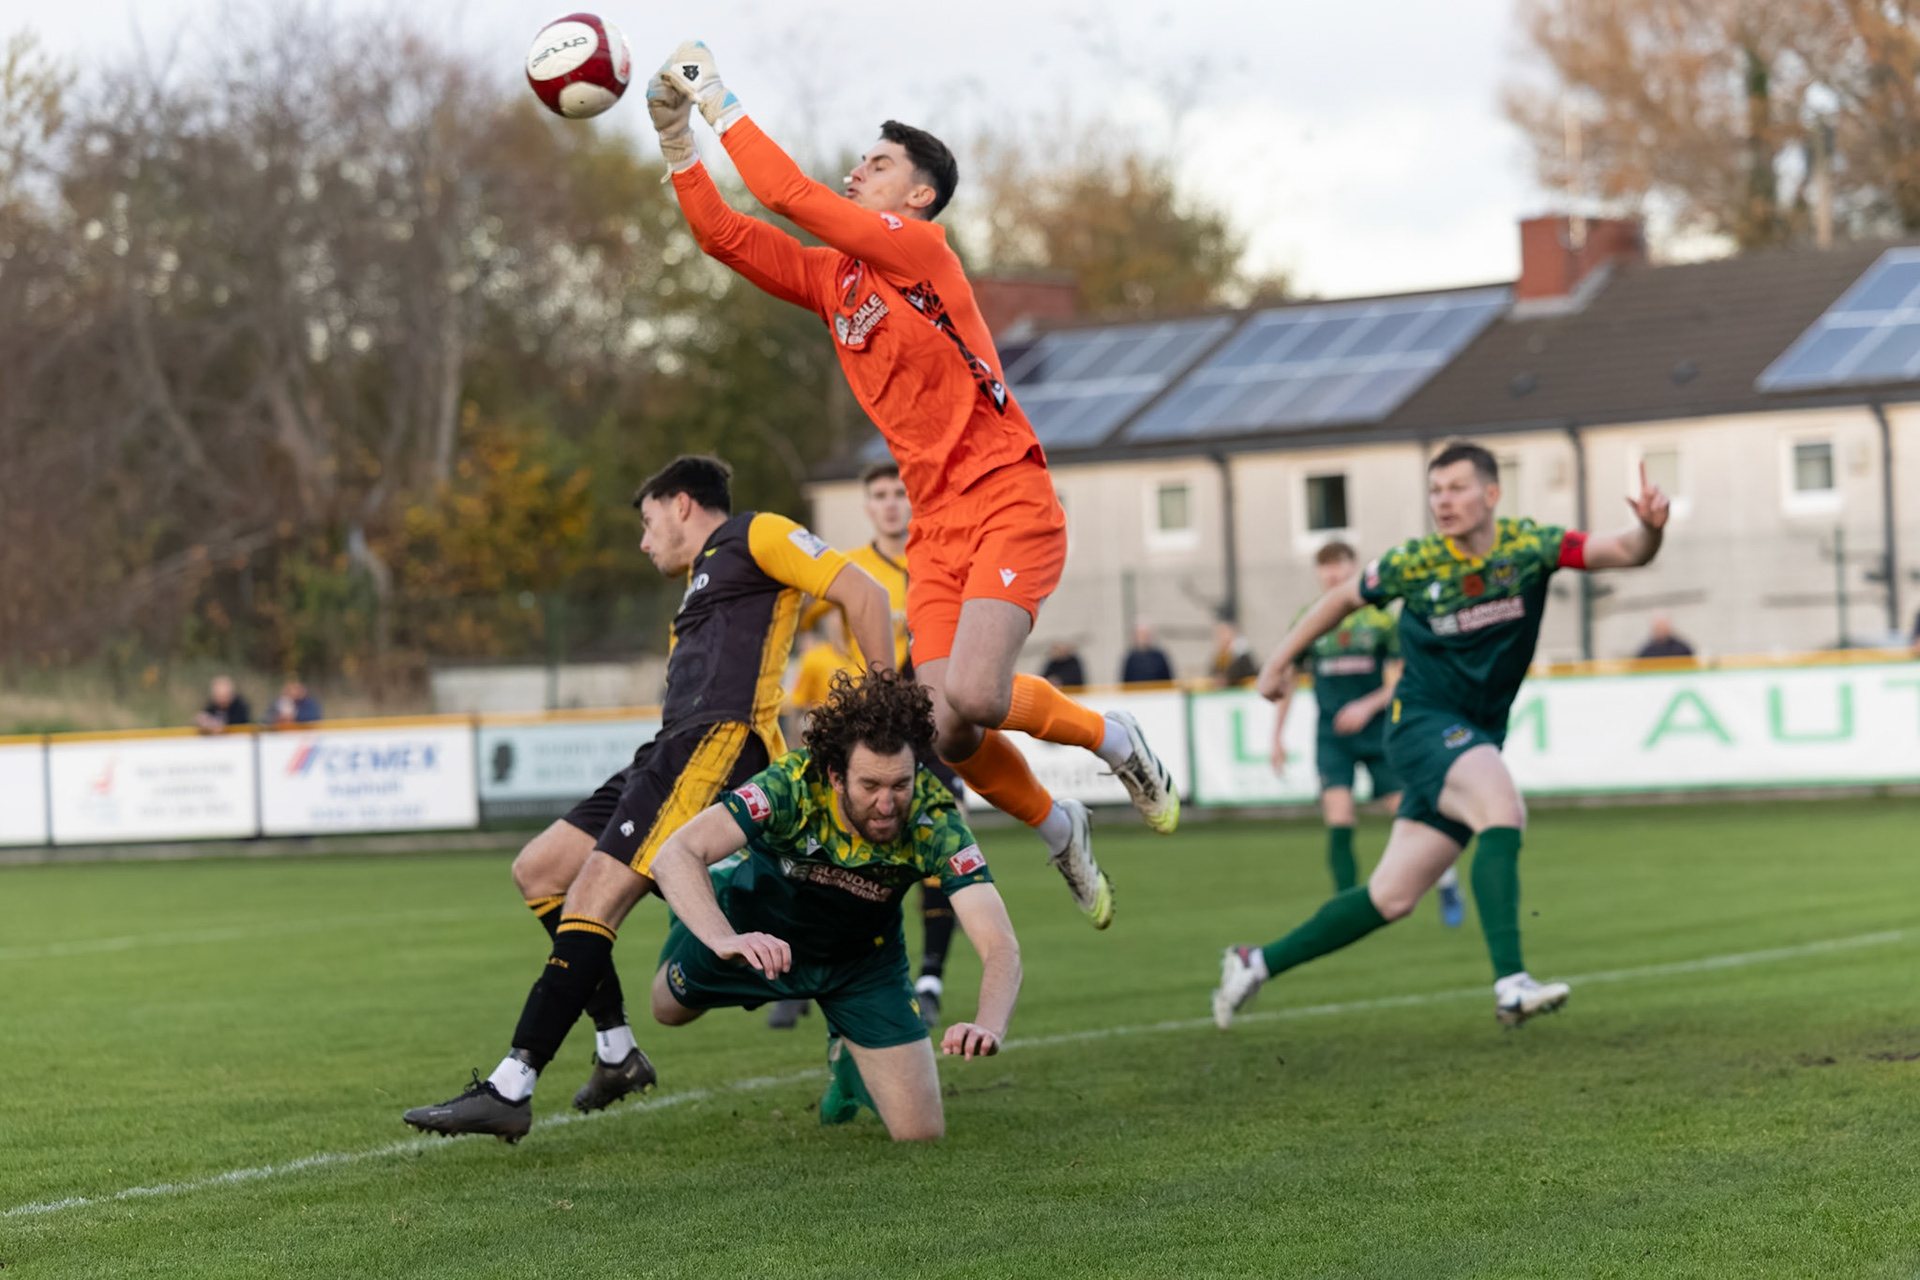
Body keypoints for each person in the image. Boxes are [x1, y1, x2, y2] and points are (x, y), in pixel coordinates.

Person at [645, 45, 1181, 933]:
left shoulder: (922, 251)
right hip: (938, 525)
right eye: (862, 159)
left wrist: (718, 100)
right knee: (945, 729)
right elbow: (727, 236)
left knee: (972, 690)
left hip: (1009, 494)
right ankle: (1060, 822)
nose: (858, 170)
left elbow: (788, 198)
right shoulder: (836, 279)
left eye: (879, 164)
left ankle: (1114, 739)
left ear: (918, 195)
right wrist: (677, 147)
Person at [402, 455, 894, 1140]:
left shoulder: (759, 534)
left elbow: (865, 593)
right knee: (539, 870)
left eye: (647, 519)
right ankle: (616, 1051)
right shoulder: (697, 589)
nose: (643, 539)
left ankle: (511, 1086)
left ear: (683, 503)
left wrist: (884, 713)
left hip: (717, 747)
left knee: (597, 894)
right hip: (669, 748)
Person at [1214, 443, 1669, 1030]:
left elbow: (1627, 551)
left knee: (1392, 897)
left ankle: (1255, 962)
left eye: (1456, 488)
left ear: (1492, 494)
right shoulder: (1417, 560)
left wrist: (1650, 528)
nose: (1443, 501)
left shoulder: (1531, 547)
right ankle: (1511, 985)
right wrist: (1279, 661)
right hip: (1420, 724)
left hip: (1473, 734)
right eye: (1435, 490)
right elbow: (1342, 598)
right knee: (1501, 807)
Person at [647, 669, 1020, 1140]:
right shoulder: (793, 784)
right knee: (666, 1008)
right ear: (835, 777)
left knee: (921, 1134)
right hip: (755, 939)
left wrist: (989, 1025)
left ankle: (845, 1052)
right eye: (870, 787)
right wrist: (724, 938)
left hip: (861, 963)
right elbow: (674, 855)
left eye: (900, 784)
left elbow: (1000, 944)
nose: (887, 804)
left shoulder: (935, 819)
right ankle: (701, 911)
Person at [766, 460, 966, 1032]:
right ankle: (803, 969)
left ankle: (929, 979)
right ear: (868, 505)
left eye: (900, 493)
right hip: (861, 737)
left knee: (936, 848)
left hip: (926, 734)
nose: (891, 504)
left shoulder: (939, 561)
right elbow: (804, 613)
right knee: (824, 855)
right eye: (880, 494)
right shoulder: (849, 566)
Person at [1269, 544, 1464, 924]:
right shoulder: (1309, 619)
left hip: (1379, 731)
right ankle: (1345, 908)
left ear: (1354, 568)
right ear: (1318, 573)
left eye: (1339, 567)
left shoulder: (1380, 621)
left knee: (1406, 813)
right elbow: (1287, 681)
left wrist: (1367, 706)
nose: (1332, 575)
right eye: (1325, 568)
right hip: (1331, 734)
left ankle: (1446, 880)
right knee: (1338, 814)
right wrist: (1276, 736)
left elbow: (1401, 679)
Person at [1210, 617, 1259, 687]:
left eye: (1223, 633)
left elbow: (1250, 677)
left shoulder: (1242, 656)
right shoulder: (1219, 657)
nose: (1221, 637)